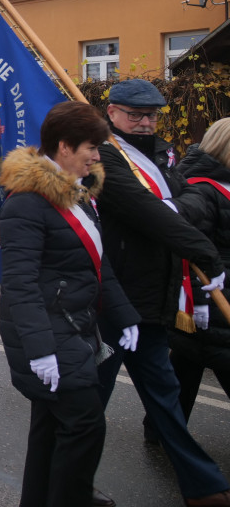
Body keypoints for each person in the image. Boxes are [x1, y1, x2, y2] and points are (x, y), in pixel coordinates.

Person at [0, 100, 140, 507]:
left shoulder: (76, 193)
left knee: (50, 427)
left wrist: (124, 314)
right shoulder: (26, 203)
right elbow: (20, 285)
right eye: (90, 149)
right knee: (84, 426)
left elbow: (97, 264)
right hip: (50, 333)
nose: (97, 157)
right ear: (64, 147)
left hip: (75, 326)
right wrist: (40, 351)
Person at [95, 78, 229, 507]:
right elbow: (140, 210)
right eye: (135, 115)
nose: (145, 122)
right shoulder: (103, 156)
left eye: (152, 115)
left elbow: (191, 200)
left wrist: (166, 208)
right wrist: (197, 243)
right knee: (91, 399)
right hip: (112, 296)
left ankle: (202, 485)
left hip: (155, 295)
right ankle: (71, 482)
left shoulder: (164, 152)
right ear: (112, 111)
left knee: (165, 396)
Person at [156, 119, 230, 427]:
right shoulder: (202, 189)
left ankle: (161, 427)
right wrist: (202, 301)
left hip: (214, 302)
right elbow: (188, 246)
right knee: (201, 352)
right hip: (211, 300)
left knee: (187, 363)